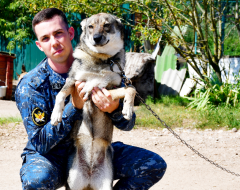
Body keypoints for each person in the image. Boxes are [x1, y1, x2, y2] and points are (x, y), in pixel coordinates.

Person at [15, 8, 167, 190]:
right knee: (36, 180)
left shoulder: (106, 63)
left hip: (95, 147)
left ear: (71, 33)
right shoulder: (31, 85)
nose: (54, 42)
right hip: (52, 155)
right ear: (39, 45)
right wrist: (74, 107)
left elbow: (128, 124)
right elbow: (40, 143)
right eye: (45, 38)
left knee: (152, 164)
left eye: (58, 34)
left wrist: (113, 109)